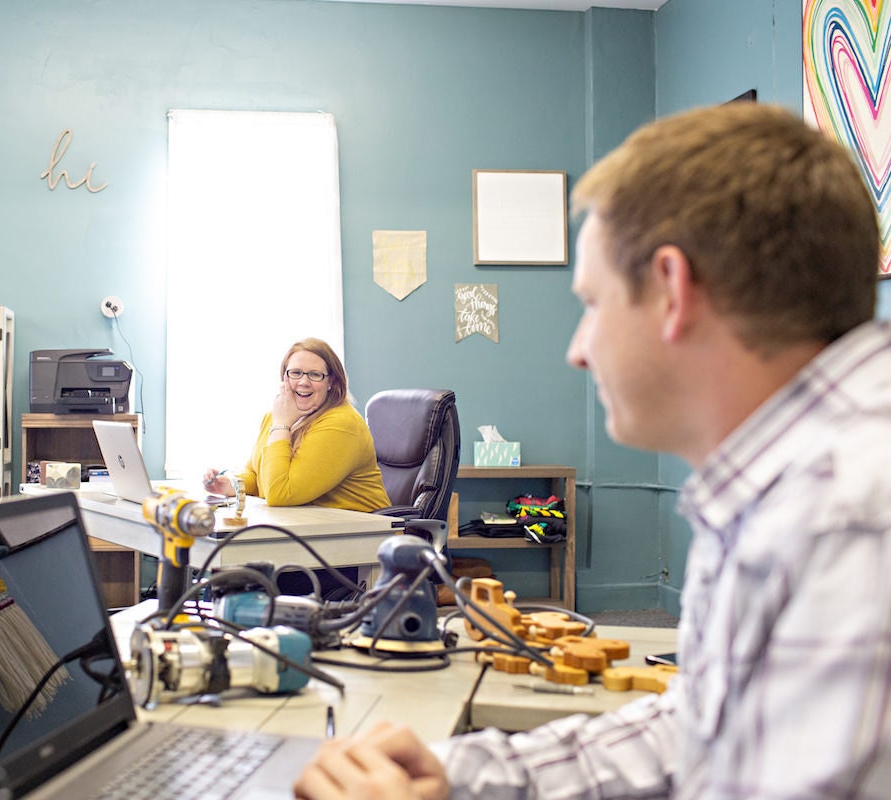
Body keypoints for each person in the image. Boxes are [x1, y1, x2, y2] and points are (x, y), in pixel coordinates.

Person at [294, 101, 891, 799]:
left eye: (593, 304)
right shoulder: (792, 481)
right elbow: (701, 725)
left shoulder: (848, 513)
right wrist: (460, 776)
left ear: (671, 291)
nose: (578, 351)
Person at [203, 337, 390, 513]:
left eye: (315, 375)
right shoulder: (275, 416)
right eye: (296, 373)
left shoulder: (341, 423)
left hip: (364, 535)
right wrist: (230, 484)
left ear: (331, 381)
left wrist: (282, 425)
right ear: (284, 377)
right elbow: (256, 474)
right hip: (309, 530)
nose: (303, 382)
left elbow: (280, 494)